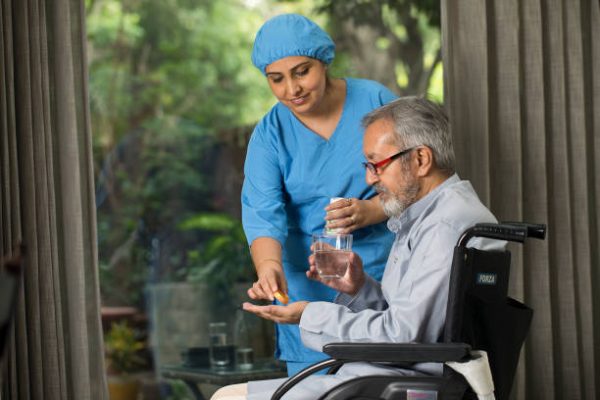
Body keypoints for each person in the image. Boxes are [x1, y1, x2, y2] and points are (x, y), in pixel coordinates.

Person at [213, 96, 504, 400]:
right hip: (389, 374)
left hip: (403, 381)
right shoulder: (434, 216)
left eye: (377, 164)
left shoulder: (446, 226)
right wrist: (360, 288)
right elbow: (418, 321)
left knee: (226, 397)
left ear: (420, 159)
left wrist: (310, 314)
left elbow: (404, 336)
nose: (369, 179)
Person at [242, 13, 397, 375]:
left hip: (380, 276)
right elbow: (262, 211)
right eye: (276, 79)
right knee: (312, 387)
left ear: (323, 60)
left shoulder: (375, 100)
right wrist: (268, 267)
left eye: (301, 72)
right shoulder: (270, 134)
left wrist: (372, 211)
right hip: (308, 287)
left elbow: (416, 181)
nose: (291, 89)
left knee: (384, 380)